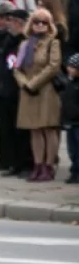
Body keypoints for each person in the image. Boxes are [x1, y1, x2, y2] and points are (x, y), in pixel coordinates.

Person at [0, 6, 33, 176]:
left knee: (21, 129)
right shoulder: (5, 38)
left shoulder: (25, 41)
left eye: (13, 21)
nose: (10, 24)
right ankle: (12, 162)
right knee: (7, 128)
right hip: (3, 88)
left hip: (18, 88)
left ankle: (25, 163)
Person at [14, 8, 62, 181]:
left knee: (48, 129)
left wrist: (34, 83)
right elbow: (17, 68)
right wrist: (24, 84)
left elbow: (53, 66)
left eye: (44, 22)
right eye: (36, 21)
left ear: (49, 25)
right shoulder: (25, 44)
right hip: (28, 91)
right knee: (34, 130)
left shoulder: (53, 42)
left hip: (46, 90)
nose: (40, 25)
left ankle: (49, 165)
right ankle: (38, 164)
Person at [62, 54, 79, 184]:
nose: (70, 69)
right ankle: (74, 171)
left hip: (77, 121)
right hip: (70, 121)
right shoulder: (69, 82)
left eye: (73, 67)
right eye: (69, 66)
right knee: (72, 149)